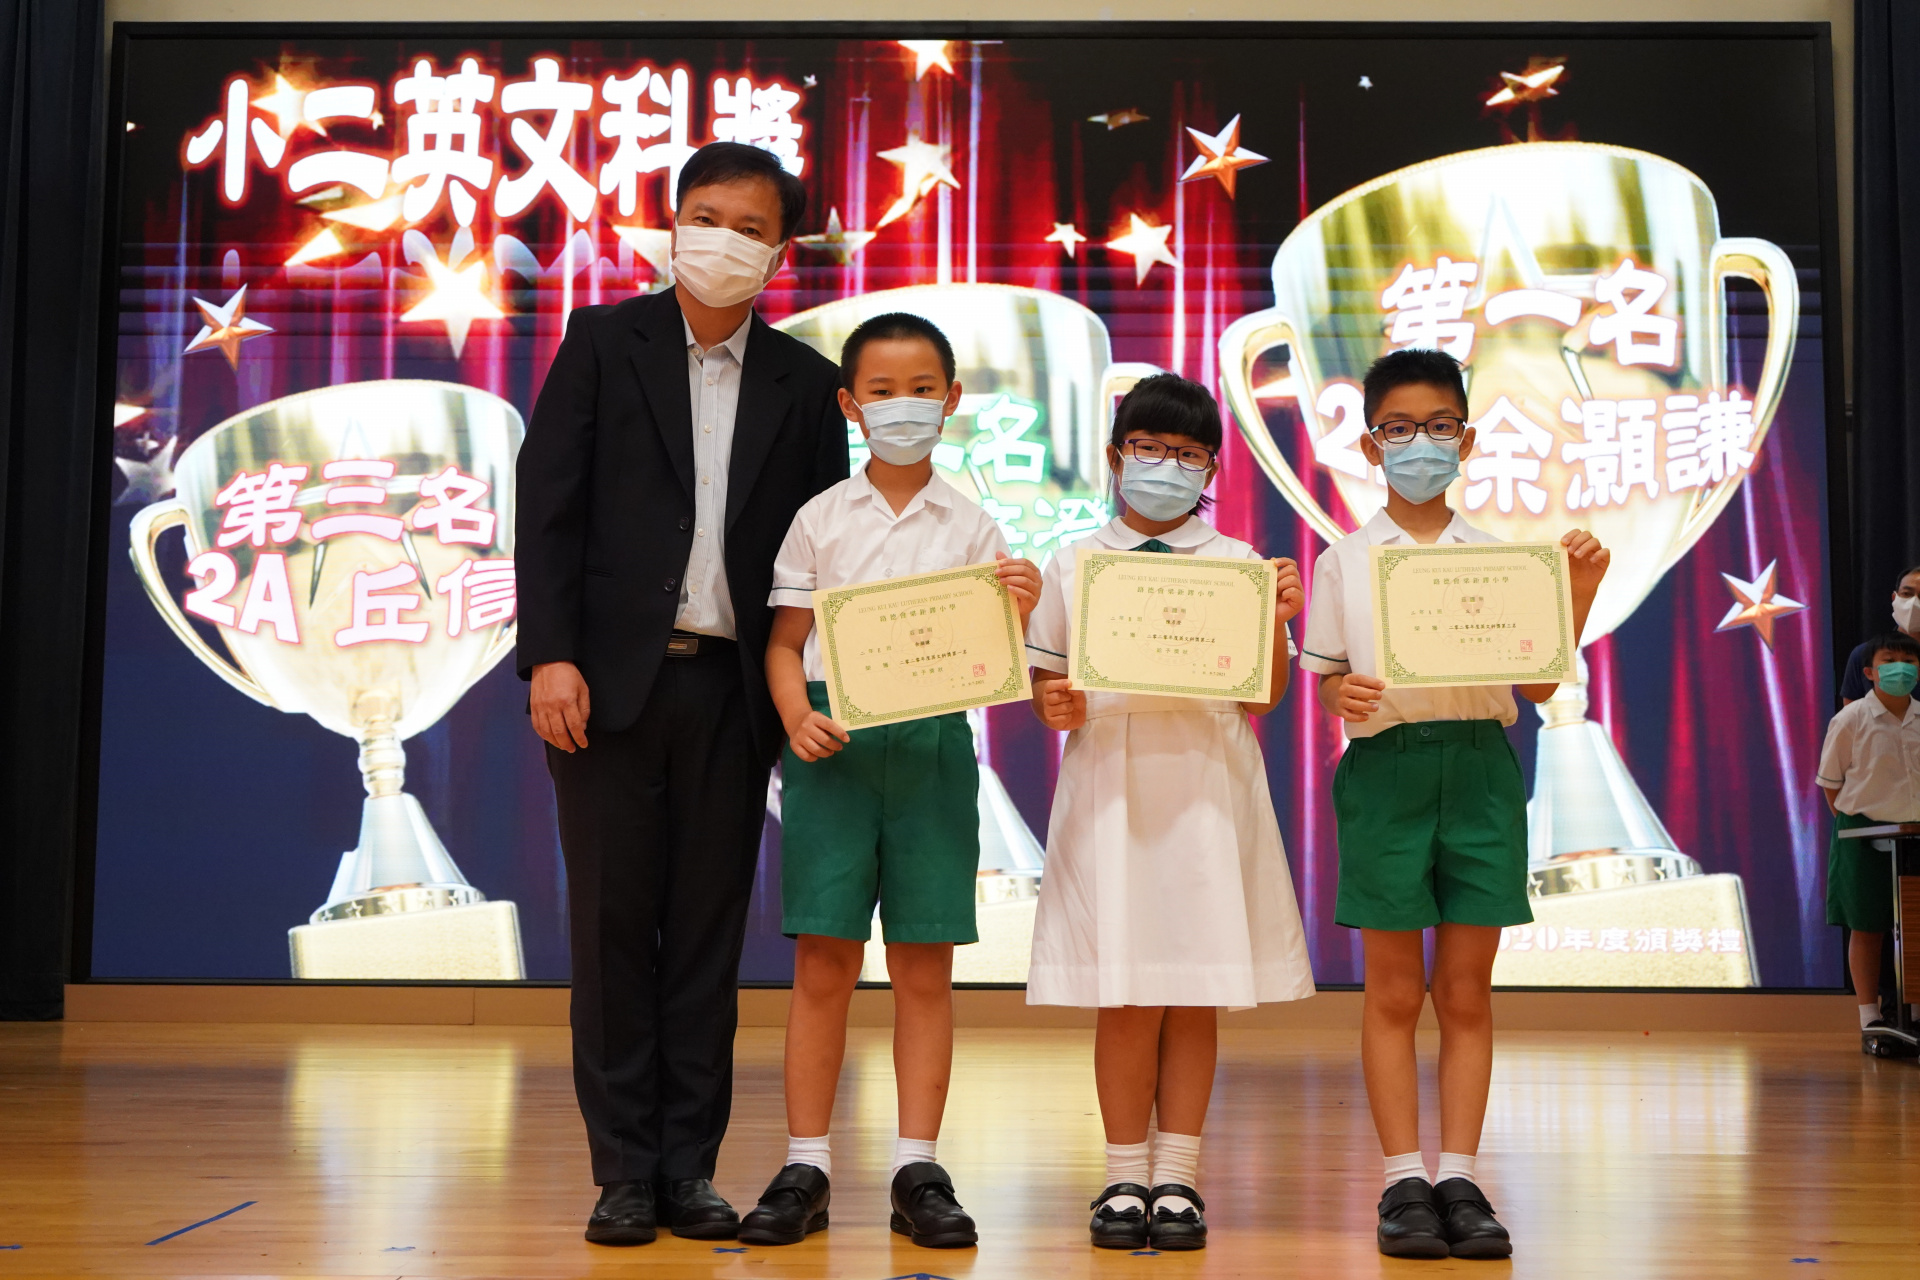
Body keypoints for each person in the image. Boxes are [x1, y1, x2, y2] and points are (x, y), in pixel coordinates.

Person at [516, 141, 847, 1246]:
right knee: (612, 930)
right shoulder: (604, 342)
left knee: (706, 935)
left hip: (733, 692)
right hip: (603, 687)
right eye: (705, 217)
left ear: (780, 253)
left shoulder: (804, 381)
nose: (723, 241)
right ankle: (622, 1172)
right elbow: (547, 507)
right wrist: (549, 654)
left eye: (749, 228)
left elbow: (823, 547)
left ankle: (688, 1168)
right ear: (672, 227)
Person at [736, 313, 1042, 1251]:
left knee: (923, 966)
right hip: (832, 750)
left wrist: (1020, 609)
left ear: (952, 401)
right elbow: (784, 645)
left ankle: (918, 1166)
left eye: (921, 390)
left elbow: (996, 660)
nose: (902, 407)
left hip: (932, 753)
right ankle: (806, 1164)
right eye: (881, 391)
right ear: (849, 404)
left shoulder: (975, 524)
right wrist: (794, 716)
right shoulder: (819, 519)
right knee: (823, 963)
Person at [1297, 348, 1609, 1261]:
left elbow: (1542, 684)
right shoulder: (1344, 561)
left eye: (1438, 427)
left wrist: (1578, 592)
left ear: (1467, 441)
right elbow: (1328, 682)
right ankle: (1404, 1179)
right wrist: (1345, 695)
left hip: (1479, 769)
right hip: (1386, 771)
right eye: (1399, 429)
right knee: (1394, 989)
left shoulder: (1502, 561)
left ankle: (1462, 1177)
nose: (1420, 445)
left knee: (1467, 989)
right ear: (1370, 444)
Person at [1024, 372, 1316, 1253]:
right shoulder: (1073, 561)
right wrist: (1054, 705)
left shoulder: (1238, 564)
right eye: (1149, 448)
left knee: (1195, 991)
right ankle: (1123, 1175)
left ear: (1211, 469)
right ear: (1117, 456)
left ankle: (1178, 1176)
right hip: (1111, 790)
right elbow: (1048, 684)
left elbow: (1262, 697)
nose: (1165, 466)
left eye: (1187, 454)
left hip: (1205, 792)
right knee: (1125, 992)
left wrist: (1280, 617)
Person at [1816, 632, 1920, 1033]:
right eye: (1889, 661)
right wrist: (1855, 824)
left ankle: (1914, 1012)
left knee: (1914, 925)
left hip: (1913, 833)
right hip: (1862, 832)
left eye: (1909, 661)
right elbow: (1831, 783)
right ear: (1870, 672)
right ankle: (1869, 1017)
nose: (1900, 668)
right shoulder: (1851, 718)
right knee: (1867, 925)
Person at [1840, 567, 1920, 703]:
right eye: (1907, 594)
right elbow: (1851, 711)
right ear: (1894, 598)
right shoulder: (1865, 654)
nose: (1914, 603)